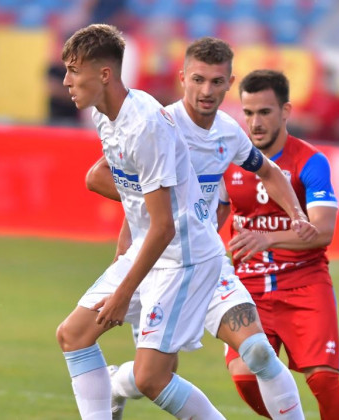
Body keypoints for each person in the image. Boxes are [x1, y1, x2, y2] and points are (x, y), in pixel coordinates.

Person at [86, 37, 314, 419]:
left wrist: (298, 214)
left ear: (229, 84)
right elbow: (97, 176)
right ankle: (115, 384)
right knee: (153, 378)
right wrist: (162, 203)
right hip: (158, 264)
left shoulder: (228, 132)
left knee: (257, 351)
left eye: (216, 81)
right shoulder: (158, 125)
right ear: (182, 79)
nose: (206, 90)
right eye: (198, 80)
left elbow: (269, 171)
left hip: (206, 262)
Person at [54, 24, 226, 419]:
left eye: (73, 71)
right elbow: (137, 198)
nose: (66, 81)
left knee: (152, 378)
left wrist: (121, 292)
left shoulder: (145, 125)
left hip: (184, 257)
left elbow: (164, 225)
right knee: (74, 335)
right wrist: (122, 253)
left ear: (104, 74)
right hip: (148, 250)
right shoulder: (105, 115)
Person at [220, 69, 339, 420]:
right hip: (249, 288)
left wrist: (269, 238)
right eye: (248, 113)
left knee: (324, 383)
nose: (255, 122)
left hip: (304, 283)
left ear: (286, 111)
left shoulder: (310, 161)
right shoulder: (228, 162)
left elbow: (323, 231)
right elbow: (212, 220)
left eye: (265, 112)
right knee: (246, 379)